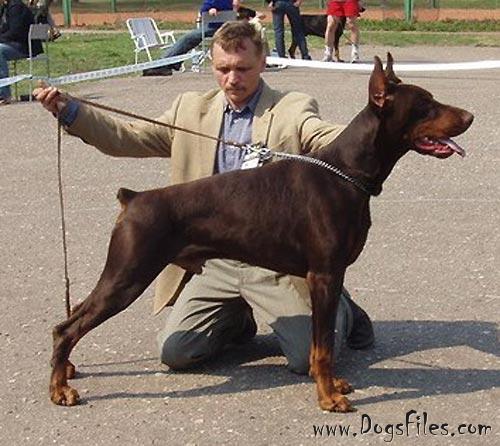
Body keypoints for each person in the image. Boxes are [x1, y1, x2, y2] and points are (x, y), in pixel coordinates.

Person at [34, 21, 374, 376]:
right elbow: (127, 136)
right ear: (212, 65)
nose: (232, 79)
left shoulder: (292, 108)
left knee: (305, 359)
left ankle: (340, 306)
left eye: (243, 69)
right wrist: (71, 112)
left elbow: (327, 137)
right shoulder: (190, 109)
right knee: (176, 353)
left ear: (263, 62)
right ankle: (235, 320)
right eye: (223, 69)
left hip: (273, 262)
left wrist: (373, 130)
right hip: (214, 260)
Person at [143, 0, 238, 76]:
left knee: (189, 38)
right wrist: (210, 9)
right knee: (189, 38)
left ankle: (165, 64)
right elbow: (204, 9)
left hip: (230, 27)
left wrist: (236, 8)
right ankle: (164, 63)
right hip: (214, 26)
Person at [0, 0, 42, 104]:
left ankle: (4, 95)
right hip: (15, 44)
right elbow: (4, 29)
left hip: (24, 47)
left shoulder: (16, 7)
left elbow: (15, 32)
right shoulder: (6, 7)